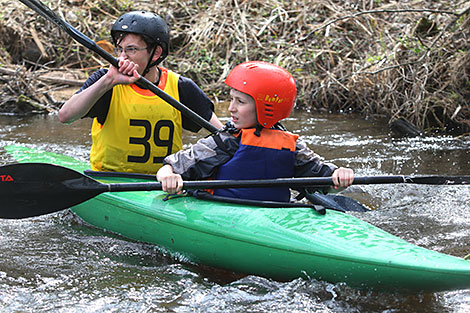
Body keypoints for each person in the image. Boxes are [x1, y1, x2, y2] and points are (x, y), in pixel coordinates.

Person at [156, 61, 354, 202]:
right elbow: (173, 166)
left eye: (240, 102)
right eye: (231, 99)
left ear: (266, 107)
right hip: (225, 213)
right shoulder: (226, 141)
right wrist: (169, 175)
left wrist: (339, 175)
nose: (231, 108)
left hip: (273, 216)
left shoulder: (291, 146)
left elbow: (323, 178)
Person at [58, 11, 223, 174]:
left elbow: (224, 137)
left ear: (156, 53)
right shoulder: (106, 81)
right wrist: (109, 80)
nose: (122, 58)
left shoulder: (181, 87)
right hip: (111, 179)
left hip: (164, 182)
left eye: (131, 50)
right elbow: (65, 116)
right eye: (119, 50)